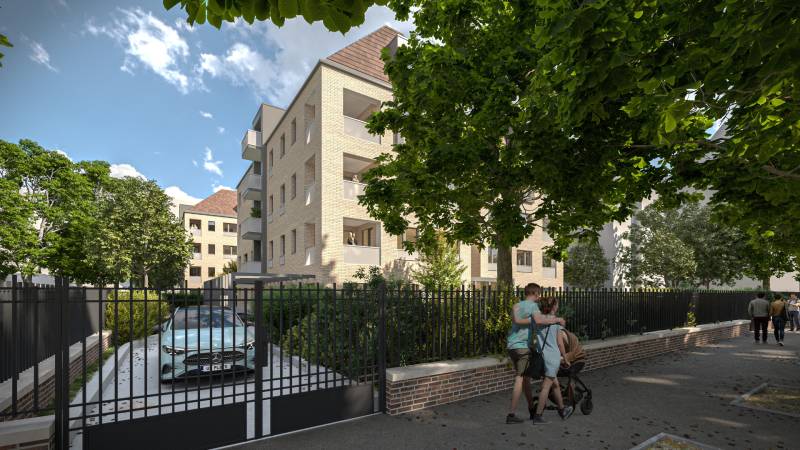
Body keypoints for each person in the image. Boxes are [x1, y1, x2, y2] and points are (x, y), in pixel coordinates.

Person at [506, 283, 565, 424]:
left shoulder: (516, 305)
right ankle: (511, 414)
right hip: (522, 347)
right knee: (520, 378)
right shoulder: (533, 307)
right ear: (536, 293)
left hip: (511, 346)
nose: (539, 297)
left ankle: (532, 409)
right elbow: (539, 320)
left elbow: (517, 320)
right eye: (539, 294)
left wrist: (532, 321)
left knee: (526, 379)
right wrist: (557, 319)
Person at [531, 296, 574, 424]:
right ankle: (538, 416)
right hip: (552, 358)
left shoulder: (539, 321)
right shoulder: (556, 323)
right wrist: (565, 358)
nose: (558, 306)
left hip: (542, 357)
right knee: (546, 387)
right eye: (557, 304)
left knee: (555, 385)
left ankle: (562, 410)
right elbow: (560, 344)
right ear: (553, 306)